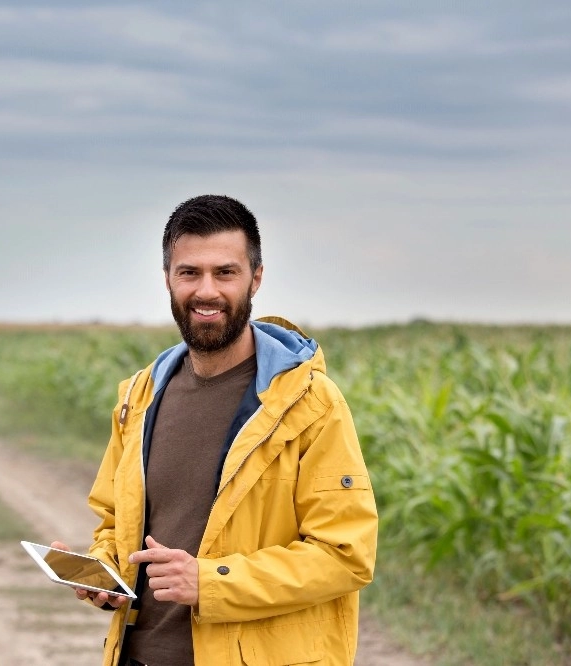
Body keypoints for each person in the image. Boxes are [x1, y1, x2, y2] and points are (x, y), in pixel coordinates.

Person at [53, 194, 377, 666]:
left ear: (255, 279)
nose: (207, 291)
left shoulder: (311, 404)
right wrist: (106, 571)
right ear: (168, 279)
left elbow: (345, 555)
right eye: (190, 273)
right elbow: (114, 521)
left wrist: (210, 582)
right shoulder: (140, 397)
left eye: (225, 272)